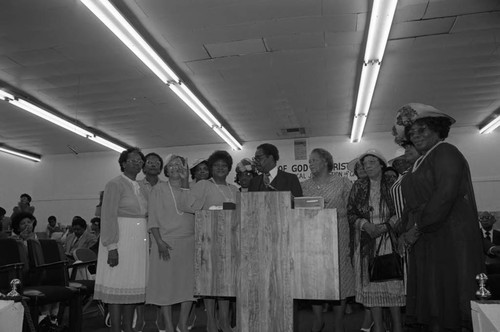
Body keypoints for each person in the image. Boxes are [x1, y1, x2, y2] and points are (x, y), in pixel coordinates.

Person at [397, 103, 484, 331]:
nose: (416, 136)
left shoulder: (446, 152)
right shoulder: (420, 160)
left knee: (449, 292)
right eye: (412, 133)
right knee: (434, 293)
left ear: (437, 130)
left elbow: (444, 195)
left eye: (422, 130)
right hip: (428, 234)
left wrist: (416, 228)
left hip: (448, 233)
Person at [347, 149, 405, 332]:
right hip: (367, 243)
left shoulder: (393, 184)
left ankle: (397, 328)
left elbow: (402, 210)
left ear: (381, 164)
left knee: (393, 286)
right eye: (365, 164)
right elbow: (351, 212)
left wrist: (385, 227)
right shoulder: (358, 186)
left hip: (390, 242)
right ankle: (378, 328)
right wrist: (366, 225)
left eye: (372, 162)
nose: (367, 166)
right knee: (372, 291)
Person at [94, 147, 148, 332]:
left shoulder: (141, 186)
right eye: (132, 160)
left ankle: (128, 327)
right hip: (120, 240)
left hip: (138, 244)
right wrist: (112, 247)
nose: (137, 163)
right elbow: (108, 216)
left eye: (140, 160)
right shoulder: (114, 184)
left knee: (132, 286)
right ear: (123, 163)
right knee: (117, 286)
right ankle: (116, 328)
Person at [300, 148, 354, 332]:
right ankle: (318, 319)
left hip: (339, 234)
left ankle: (338, 323)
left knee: (340, 278)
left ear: (325, 161)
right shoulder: (304, 185)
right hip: (313, 237)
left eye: (314, 160)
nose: (310, 163)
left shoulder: (342, 182)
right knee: (316, 278)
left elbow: (353, 209)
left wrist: (330, 213)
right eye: (309, 161)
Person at [190, 150, 239, 332]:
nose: (220, 168)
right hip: (208, 239)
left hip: (230, 241)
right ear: (211, 168)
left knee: (226, 283)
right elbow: (192, 207)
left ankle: (225, 321)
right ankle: (211, 321)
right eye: (217, 165)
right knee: (209, 283)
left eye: (224, 166)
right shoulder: (203, 185)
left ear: (229, 169)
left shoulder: (233, 189)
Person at [147, 154, 195, 332]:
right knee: (164, 285)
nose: (175, 167)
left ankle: (182, 324)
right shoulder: (158, 189)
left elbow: (190, 207)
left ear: (185, 169)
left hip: (189, 242)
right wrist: (158, 242)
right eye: (172, 165)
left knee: (188, 286)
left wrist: (185, 184)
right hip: (165, 242)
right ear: (166, 170)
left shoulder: (192, 188)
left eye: (180, 164)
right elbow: (152, 219)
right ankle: (168, 325)